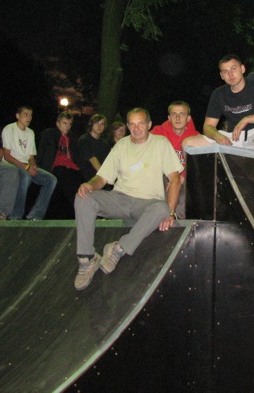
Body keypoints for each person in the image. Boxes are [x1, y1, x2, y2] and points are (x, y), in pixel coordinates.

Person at [73, 108, 183, 291]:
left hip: (147, 203)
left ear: (149, 125)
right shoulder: (121, 145)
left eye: (140, 123)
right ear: (127, 126)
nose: (136, 128)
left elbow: (175, 179)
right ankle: (86, 258)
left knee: (162, 209)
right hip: (120, 199)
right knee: (83, 197)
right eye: (132, 124)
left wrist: (171, 213)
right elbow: (102, 178)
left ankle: (119, 248)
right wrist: (90, 185)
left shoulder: (160, 143)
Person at [182, 53, 254, 204]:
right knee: (188, 143)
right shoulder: (218, 94)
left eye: (234, 69)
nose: (230, 74)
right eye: (225, 71)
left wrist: (247, 118)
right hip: (233, 137)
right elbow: (208, 127)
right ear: (221, 75)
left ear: (242, 69)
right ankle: (206, 188)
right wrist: (217, 136)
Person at [2, 106, 57, 220]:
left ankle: (35, 215)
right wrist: (26, 167)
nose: (29, 117)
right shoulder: (9, 129)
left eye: (31, 115)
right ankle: (16, 215)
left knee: (51, 180)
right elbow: (7, 156)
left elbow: (31, 156)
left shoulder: (30, 133)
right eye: (26, 114)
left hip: (25, 165)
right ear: (18, 116)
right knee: (26, 176)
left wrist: (32, 165)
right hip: (12, 164)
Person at [150, 100, 200, 218]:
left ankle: (178, 225)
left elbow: (198, 166)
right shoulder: (157, 132)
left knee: (184, 192)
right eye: (174, 114)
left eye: (182, 114)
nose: (178, 118)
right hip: (161, 176)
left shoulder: (195, 137)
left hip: (184, 178)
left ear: (188, 118)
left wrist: (182, 176)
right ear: (169, 117)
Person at [37, 111, 82, 217]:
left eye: (69, 124)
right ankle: (79, 212)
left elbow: (77, 157)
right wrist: (39, 166)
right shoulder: (50, 134)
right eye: (64, 123)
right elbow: (41, 151)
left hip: (72, 167)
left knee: (82, 184)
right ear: (58, 123)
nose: (67, 126)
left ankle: (85, 212)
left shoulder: (72, 139)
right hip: (57, 166)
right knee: (67, 182)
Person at [76, 114, 111, 183]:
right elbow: (92, 159)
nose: (99, 126)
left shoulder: (105, 144)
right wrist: (104, 176)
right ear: (91, 124)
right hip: (85, 178)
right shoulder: (84, 140)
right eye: (96, 123)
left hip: (101, 178)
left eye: (102, 124)